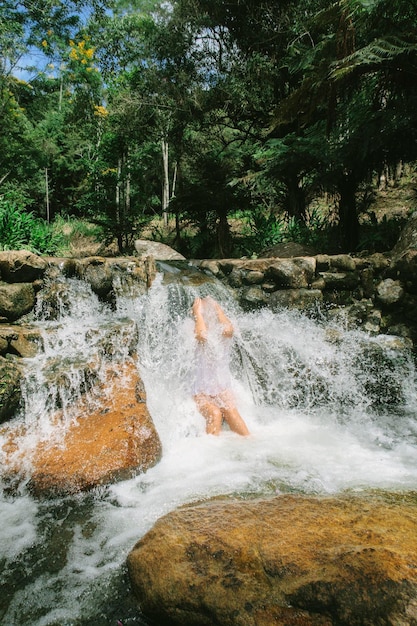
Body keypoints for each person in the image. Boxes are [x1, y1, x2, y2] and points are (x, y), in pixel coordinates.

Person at [191, 295, 250, 436]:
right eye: (203, 308)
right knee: (215, 413)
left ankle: (251, 443)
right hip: (199, 390)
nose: (207, 311)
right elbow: (202, 336)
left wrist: (218, 309)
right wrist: (197, 314)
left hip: (221, 388)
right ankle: (212, 452)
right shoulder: (190, 328)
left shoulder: (221, 330)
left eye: (209, 308)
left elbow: (229, 330)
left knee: (231, 410)